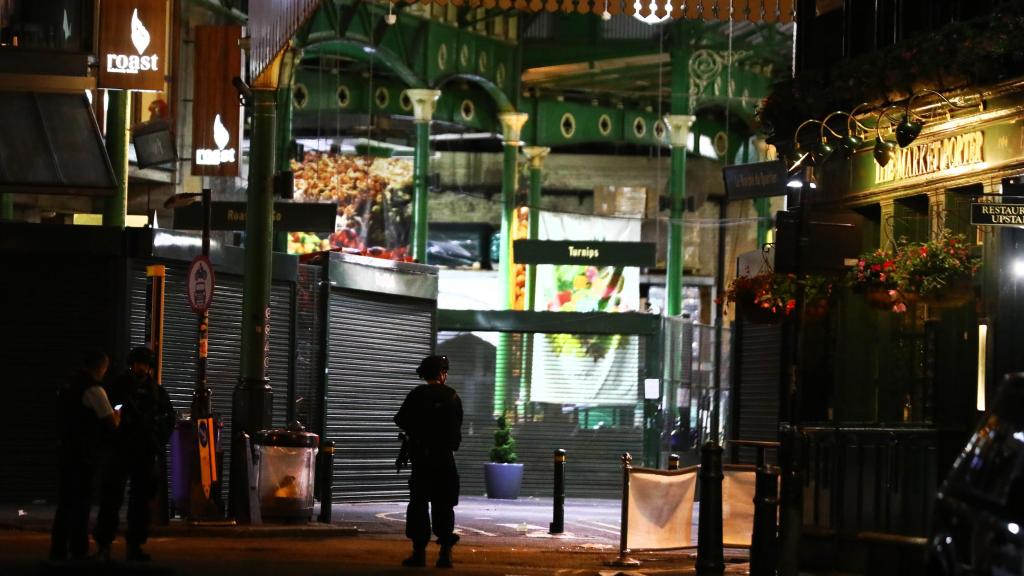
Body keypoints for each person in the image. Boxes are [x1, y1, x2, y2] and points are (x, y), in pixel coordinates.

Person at [94, 346, 175, 562]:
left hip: (144, 451)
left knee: (140, 502)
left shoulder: (156, 392)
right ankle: (104, 545)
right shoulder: (120, 387)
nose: (141, 368)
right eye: (138, 363)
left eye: (144, 364)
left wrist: (158, 438)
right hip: (121, 449)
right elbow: (108, 414)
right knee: (111, 498)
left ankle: (134, 546)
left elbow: (168, 418)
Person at [50, 348, 120, 562]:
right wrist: (118, 413)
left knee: (65, 503)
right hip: (83, 454)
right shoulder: (94, 390)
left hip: (65, 450)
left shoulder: (69, 385)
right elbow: (111, 422)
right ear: (101, 367)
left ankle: (58, 549)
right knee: (81, 503)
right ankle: (79, 549)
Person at [394, 355, 463, 569]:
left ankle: (419, 554)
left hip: (421, 460)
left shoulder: (417, 395)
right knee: (444, 505)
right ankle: (445, 554)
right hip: (444, 460)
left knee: (419, 505)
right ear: (442, 373)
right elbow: (456, 431)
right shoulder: (452, 397)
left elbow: (400, 420)